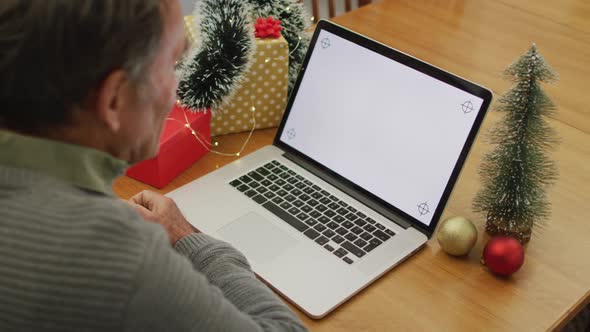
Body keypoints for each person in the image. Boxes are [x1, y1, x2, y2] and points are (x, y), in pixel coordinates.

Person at [0, 1, 307, 331]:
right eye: (173, 63)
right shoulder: (118, 258)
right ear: (114, 98)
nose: (177, 89)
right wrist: (187, 237)